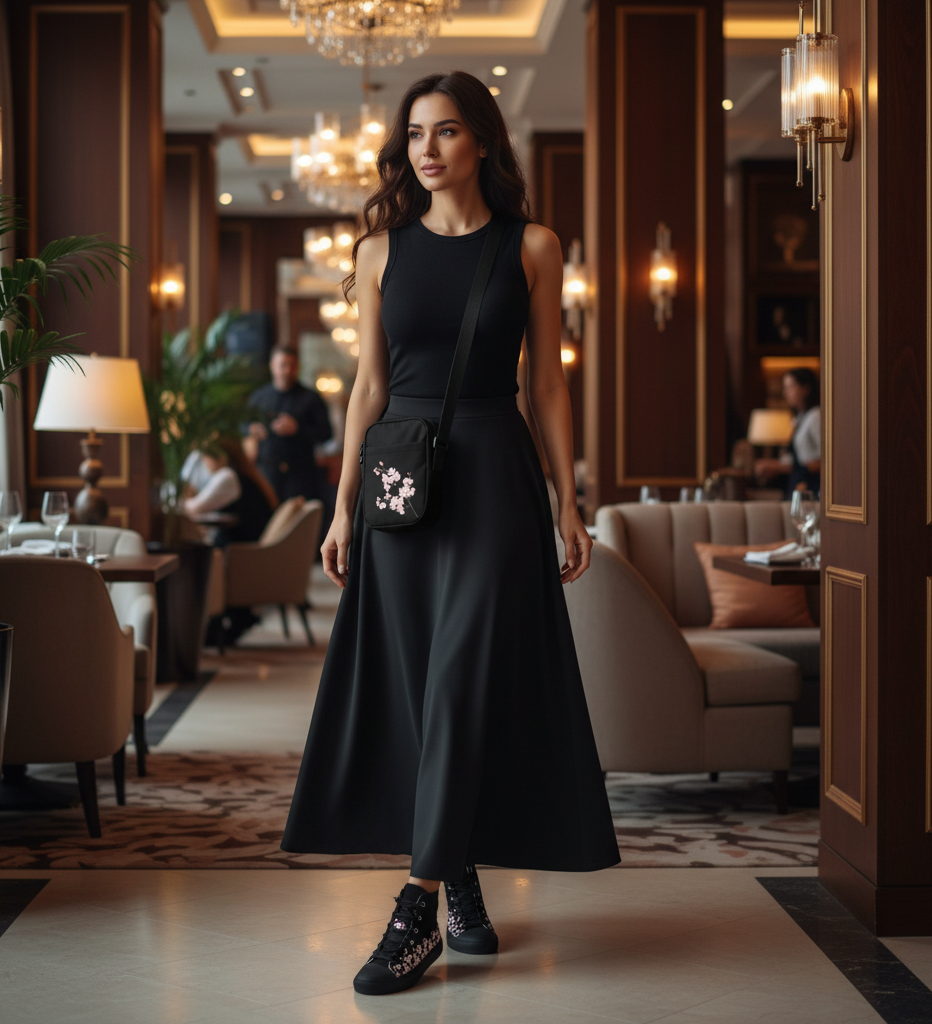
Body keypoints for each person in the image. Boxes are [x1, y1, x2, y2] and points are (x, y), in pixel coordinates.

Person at [280, 71, 619, 996]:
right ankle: (460, 868)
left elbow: (546, 384)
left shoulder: (534, 246)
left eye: (448, 132)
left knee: (465, 674)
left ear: (482, 145)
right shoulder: (380, 251)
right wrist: (343, 505)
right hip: (399, 482)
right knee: (421, 689)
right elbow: (370, 389)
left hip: (497, 477)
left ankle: (416, 908)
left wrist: (566, 498)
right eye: (416, 134)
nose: (426, 149)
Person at [184, 436, 278, 643]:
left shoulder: (228, 476)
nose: (205, 465)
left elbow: (193, 509)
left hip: (241, 550)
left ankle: (209, 622)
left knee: (200, 554)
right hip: (249, 546)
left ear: (221, 458)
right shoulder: (246, 474)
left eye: (206, 458)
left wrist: (185, 492)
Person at [247, 346, 333, 500]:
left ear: (297, 367)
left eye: (291, 365)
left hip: (300, 475)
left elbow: (326, 433)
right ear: (272, 366)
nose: (287, 370)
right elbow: (242, 424)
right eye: (283, 365)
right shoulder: (259, 397)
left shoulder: (311, 398)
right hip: (267, 472)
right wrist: (251, 430)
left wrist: (297, 429)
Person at [754, 368, 821, 495]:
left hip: (811, 484)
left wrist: (779, 467)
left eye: (790, 387)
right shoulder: (800, 417)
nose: (786, 393)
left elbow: (826, 459)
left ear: (805, 389)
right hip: (798, 483)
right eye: (785, 388)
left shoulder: (816, 417)